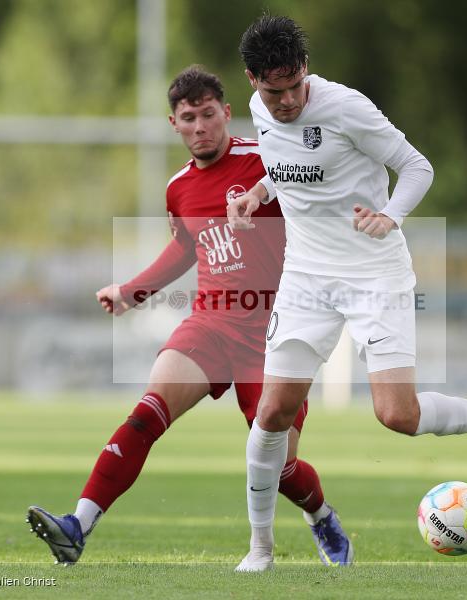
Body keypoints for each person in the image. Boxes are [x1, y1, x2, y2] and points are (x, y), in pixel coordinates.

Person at [228, 16, 467, 572]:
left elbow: (417, 166)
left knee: (397, 414)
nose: (288, 100)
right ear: (252, 81)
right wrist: (256, 193)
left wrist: (391, 215)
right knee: (271, 413)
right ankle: (260, 550)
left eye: (295, 86)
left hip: (374, 273)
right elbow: (286, 166)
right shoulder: (259, 109)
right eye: (275, 92)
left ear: (305, 70)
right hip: (306, 276)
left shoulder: (347, 108)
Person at [26, 66, 351, 567]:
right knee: (146, 414)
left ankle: (320, 515)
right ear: (174, 124)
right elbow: (184, 249)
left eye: (208, 114)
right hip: (211, 325)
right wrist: (132, 292)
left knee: (281, 466)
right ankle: (77, 526)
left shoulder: (266, 161)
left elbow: (321, 203)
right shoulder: (178, 188)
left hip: (276, 332)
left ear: (226, 112)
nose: (200, 126)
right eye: (188, 118)